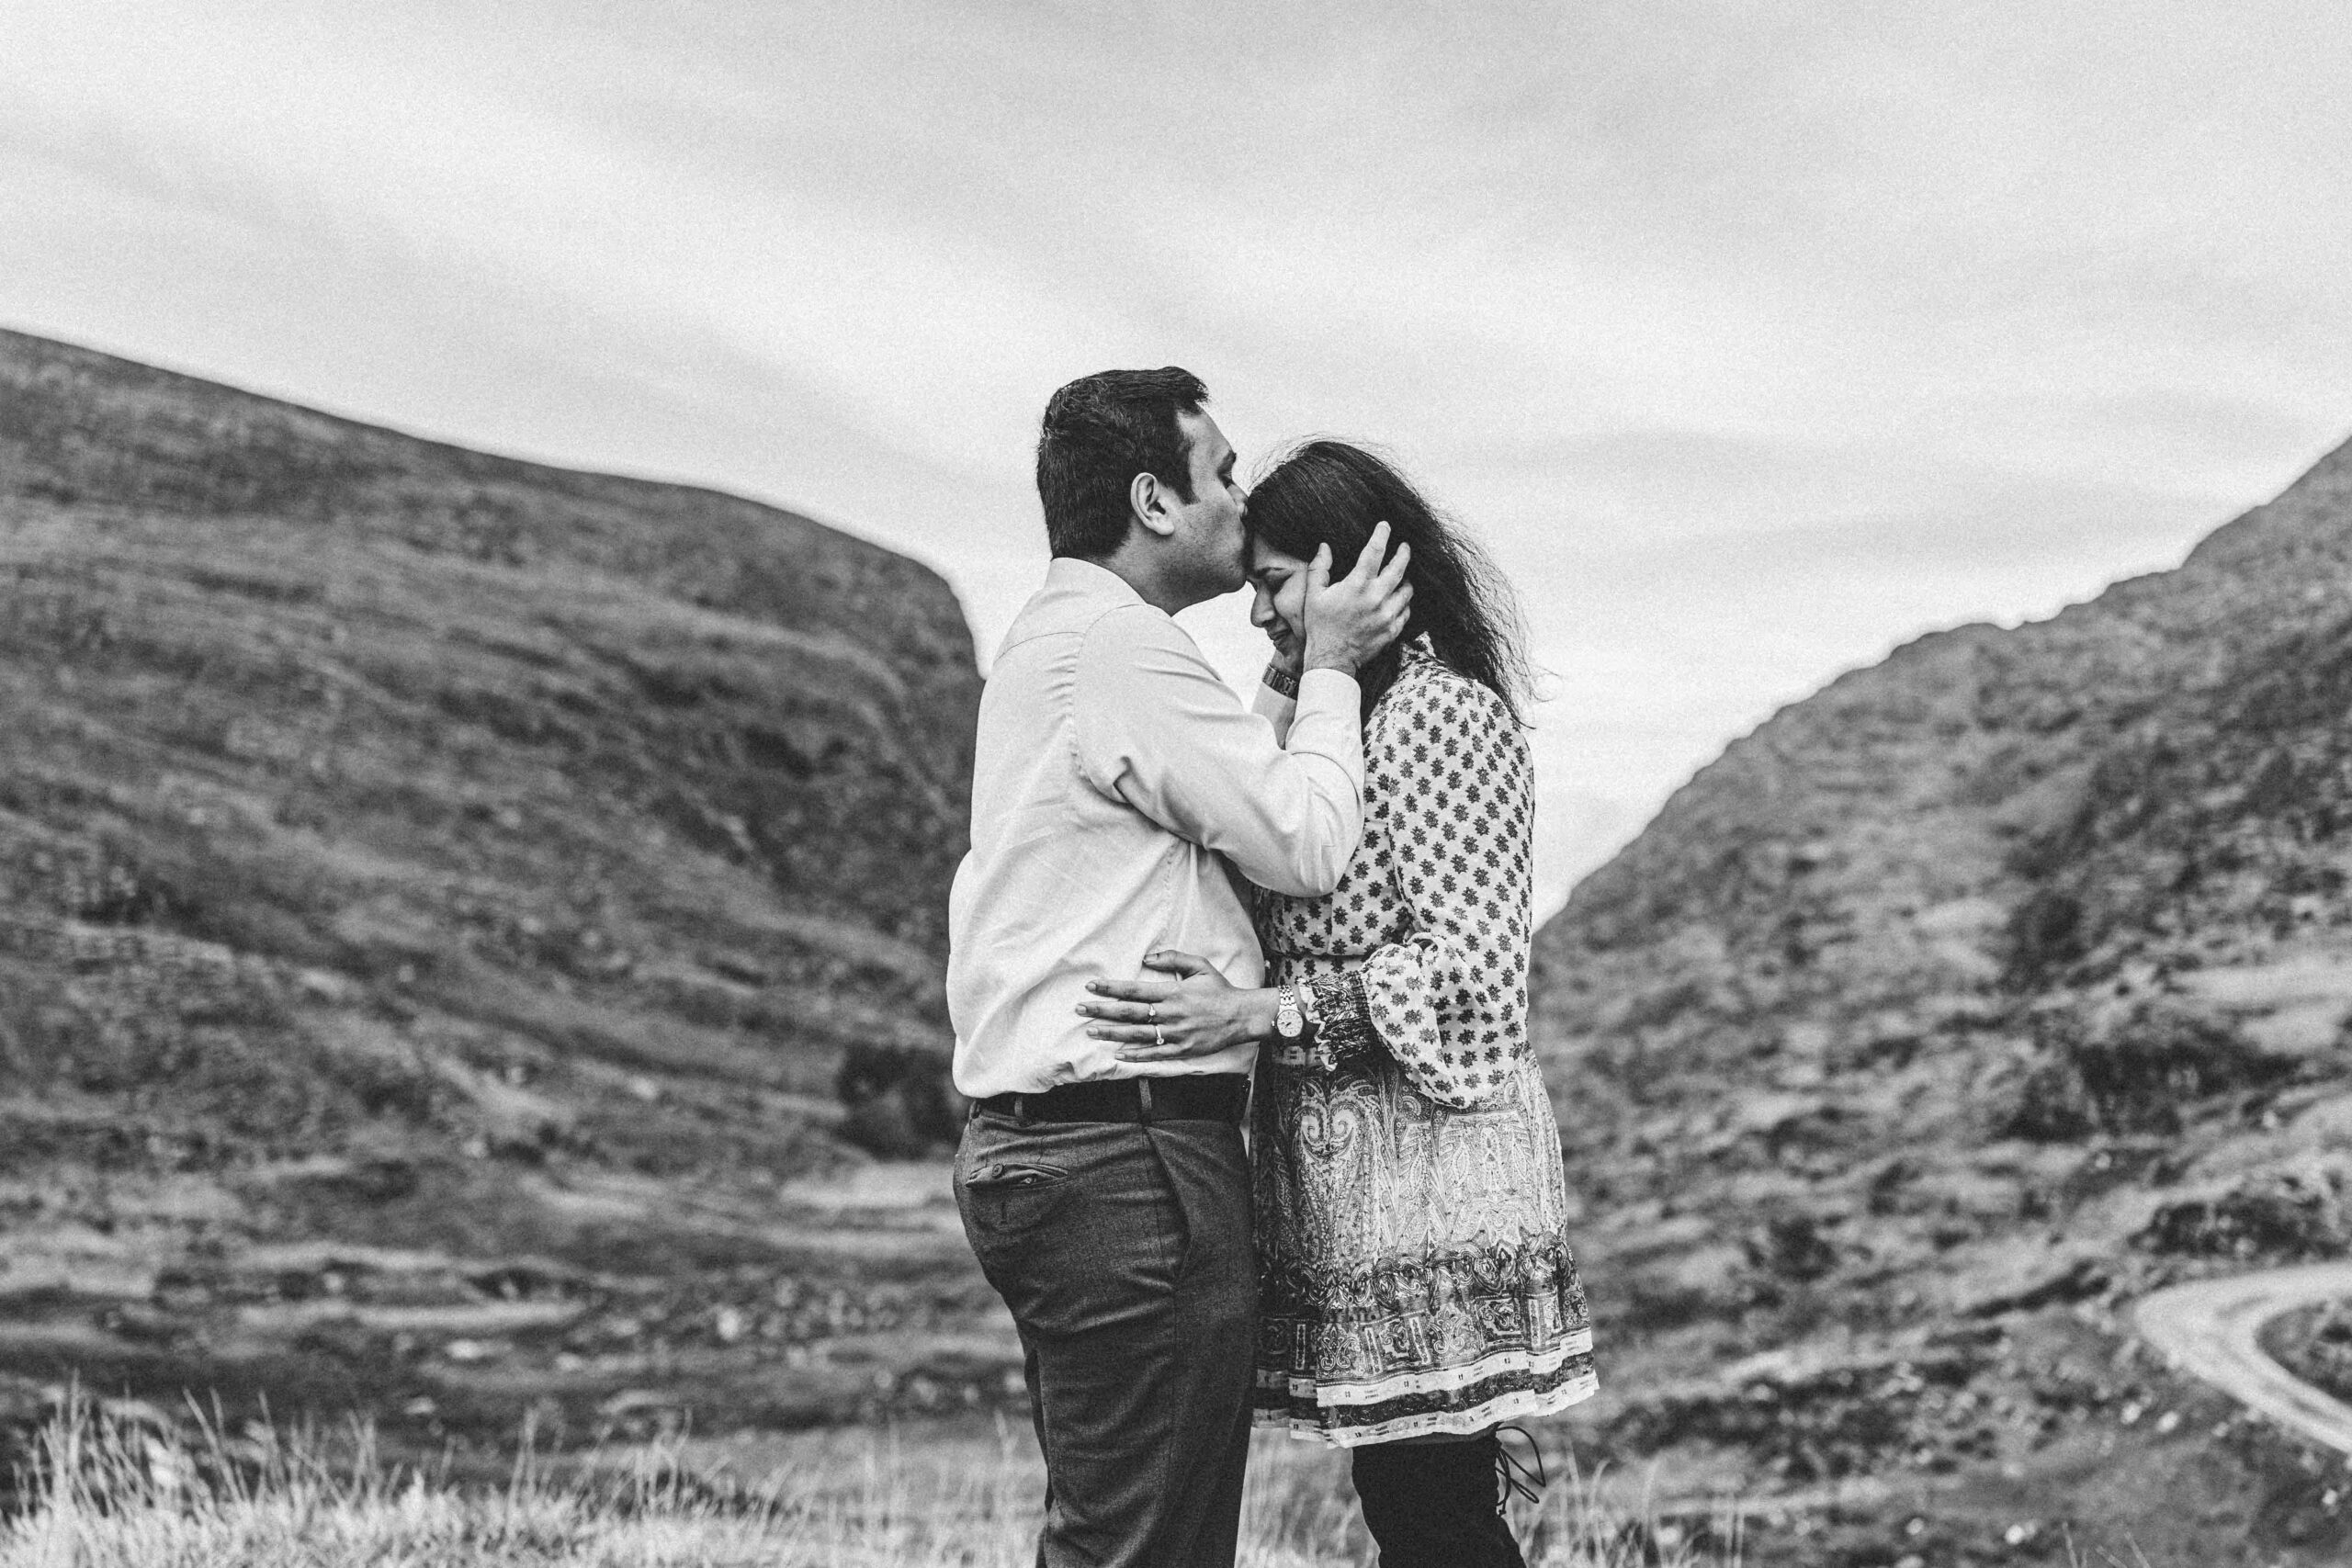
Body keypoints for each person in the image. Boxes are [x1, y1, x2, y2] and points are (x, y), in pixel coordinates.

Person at [1079, 440, 1596, 1568]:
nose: (1257, 610)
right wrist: (1303, 663)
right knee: (1408, 1499)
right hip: (1349, 1186)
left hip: (1430, 1180)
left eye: (1274, 583)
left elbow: (1472, 972)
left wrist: (1261, 1013)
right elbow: (1243, 814)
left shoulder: (1440, 715)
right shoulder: (1344, 718)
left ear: (1352, 566)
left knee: (1432, 1506)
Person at [947, 372, 1413, 1568]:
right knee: (1143, 1547)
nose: (1241, 499)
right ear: (1154, 499)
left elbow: (1225, 788)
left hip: (1072, 1151)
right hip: (1128, 1159)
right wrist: (1334, 665)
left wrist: (1289, 678)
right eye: (1223, 471)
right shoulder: (1118, 648)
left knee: (1129, 1534)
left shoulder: (1058, 642)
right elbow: (1302, 840)